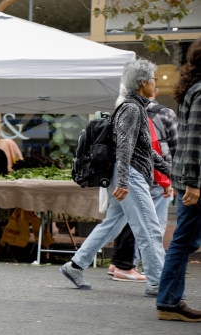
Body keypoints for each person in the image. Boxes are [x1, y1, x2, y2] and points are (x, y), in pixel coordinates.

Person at [59, 58, 171, 298]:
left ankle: (75, 266)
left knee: (112, 225)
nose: (155, 83)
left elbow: (145, 151)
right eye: (154, 80)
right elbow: (124, 147)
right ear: (143, 83)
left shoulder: (134, 107)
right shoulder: (132, 109)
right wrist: (123, 181)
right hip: (130, 176)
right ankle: (158, 283)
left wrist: (171, 173)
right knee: (149, 229)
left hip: (127, 174)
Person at [107, 85, 177, 282]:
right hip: (146, 175)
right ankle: (150, 276)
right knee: (152, 226)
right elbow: (167, 147)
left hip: (131, 173)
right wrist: (168, 177)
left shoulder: (123, 108)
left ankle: (117, 263)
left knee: (124, 220)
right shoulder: (160, 112)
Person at [156, 37, 201, 322]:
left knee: (186, 240)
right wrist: (195, 184)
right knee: (184, 241)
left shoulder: (193, 89)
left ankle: (169, 300)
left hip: (189, 176)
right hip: (194, 179)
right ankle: (169, 301)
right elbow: (195, 138)